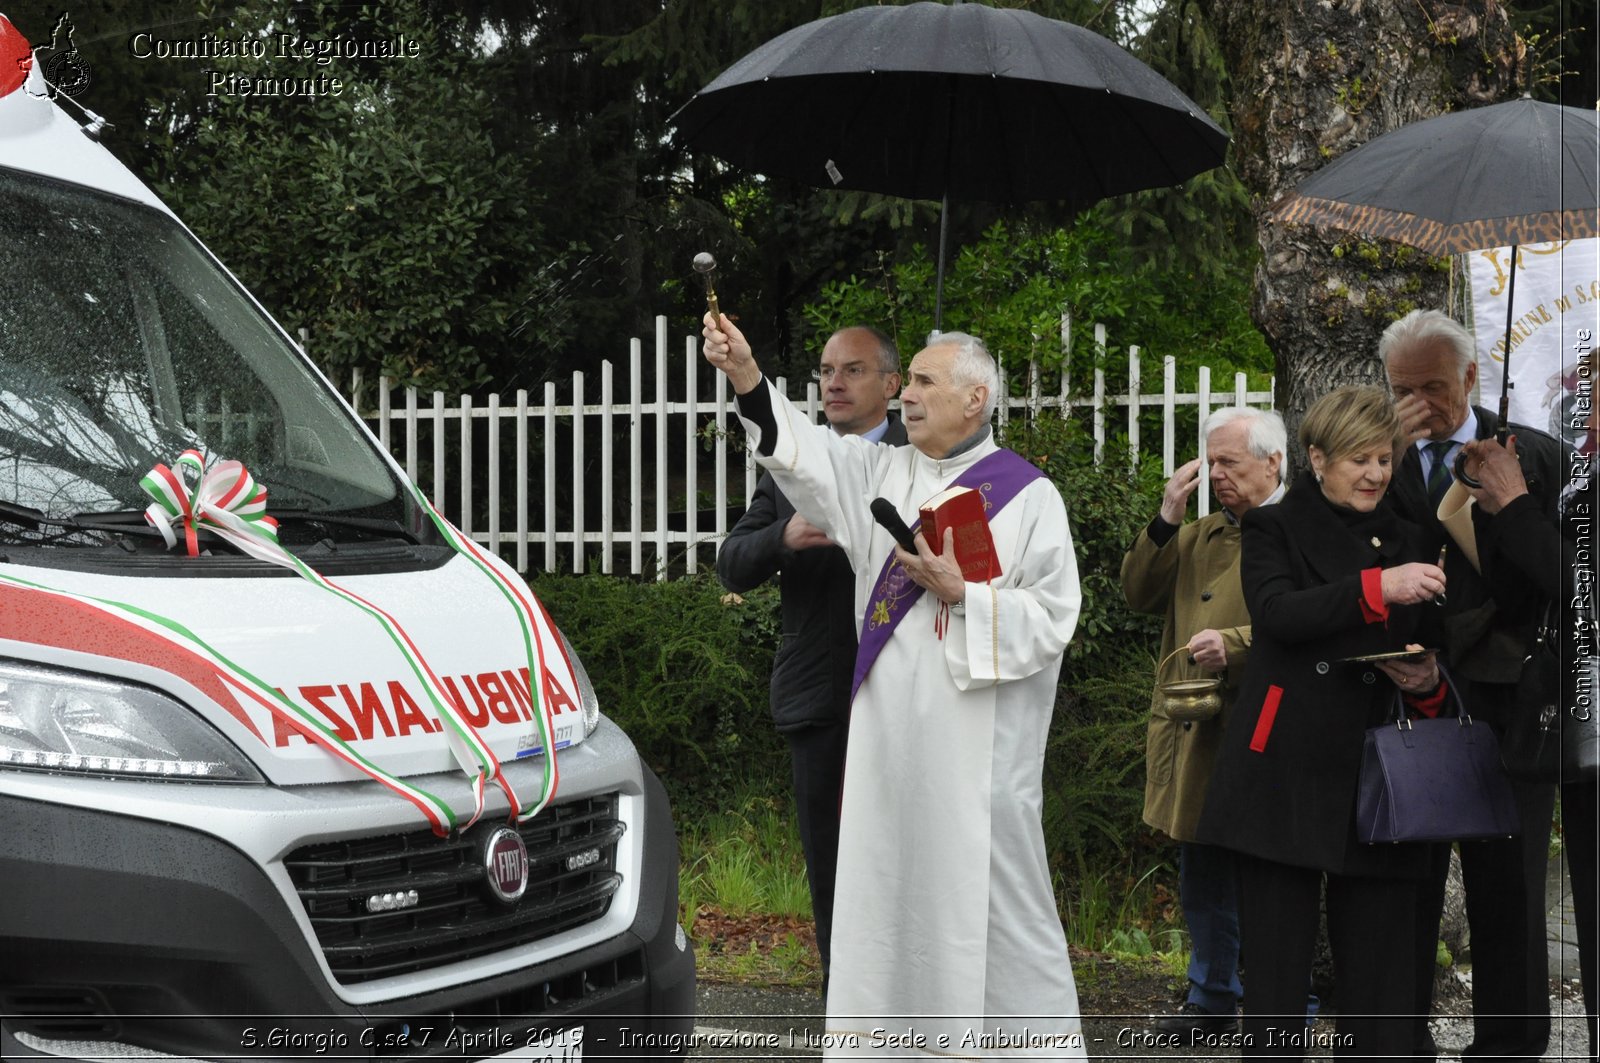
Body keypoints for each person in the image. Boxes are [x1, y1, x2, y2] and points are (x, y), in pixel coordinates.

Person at [702, 312, 1088, 1060]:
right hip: (886, 745)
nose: (904, 394)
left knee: (993, 905)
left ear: (975, 398)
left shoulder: (1029, 496)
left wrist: (966, 595)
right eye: (905, 379)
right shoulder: (878, 472)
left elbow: (1053, 618)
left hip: (979, 753)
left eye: (922, 381)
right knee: (885, 890)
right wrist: (745, 374)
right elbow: (801, 454)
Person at [1197, 385, 1448, 1059]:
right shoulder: (1272, 526)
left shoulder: (1412, 534)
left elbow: (1438, 639)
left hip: (1382, 775)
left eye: (1384, 459)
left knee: (1383, 981)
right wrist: (1378, 588)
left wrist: (1427, 681)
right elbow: (1279, 615)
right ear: (1316, 457)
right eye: (1358, 460)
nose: (1374, 473)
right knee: (1276, 980)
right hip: (1285, 769)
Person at [1378, 308, 1567, 1060]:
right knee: (1403, 877)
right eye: (1401, 388)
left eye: (1433, 387)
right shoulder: (1376, 457)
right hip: (1403, 695)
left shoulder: (1533, 456)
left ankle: (1510, 1043)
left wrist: (1507, 501)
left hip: (1508, 699)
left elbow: (1559, 581)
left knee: (1509, 884)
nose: (1418, 403)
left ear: (1471, 377)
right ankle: (1399, 1038)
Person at [714, 325, 905, 989]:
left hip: (905, 698)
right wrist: (784, 535)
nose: (833, 383)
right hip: (821, 697)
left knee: (905, 860)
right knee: (831, 865)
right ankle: (843, 1008)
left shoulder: (920, 463)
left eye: (852, 370)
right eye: (825, 371)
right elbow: (731, 564)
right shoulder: (794, 467)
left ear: (893, 385)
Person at [1121, 406, 1286, 1035]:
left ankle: (1282, 1000)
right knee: (1203, 870)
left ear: (1273, 462)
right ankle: (1211, 997)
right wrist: (1167, 515)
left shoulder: (1301, 529)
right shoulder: (1199, 535)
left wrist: (1238, 644)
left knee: (1273, 872)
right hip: (1196, 724)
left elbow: (1315, 615)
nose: (1217, 474)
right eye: (1211, 462)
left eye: (1229, 462)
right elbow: (1136, 593)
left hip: (1268, 721)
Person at [1454, 347, 1596, 1062]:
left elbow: (1585, 597)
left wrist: (1513, 506)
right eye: (1586, 396)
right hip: (1553, 705)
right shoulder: (1576, 478)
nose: (1586, 413)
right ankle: (1512, 1040)